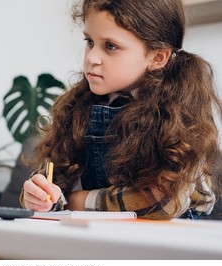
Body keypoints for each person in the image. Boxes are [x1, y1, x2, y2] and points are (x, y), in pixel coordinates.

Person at [20, 0, 222, 220]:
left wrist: (77, 200)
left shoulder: (178, 113)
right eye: (89, 41)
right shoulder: (77, 105)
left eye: (110, 46)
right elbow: (52, 180)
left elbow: (164, 201)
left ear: (157, 57)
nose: (91, 58)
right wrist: (40, 197)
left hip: (167, 239)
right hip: (98, 233)